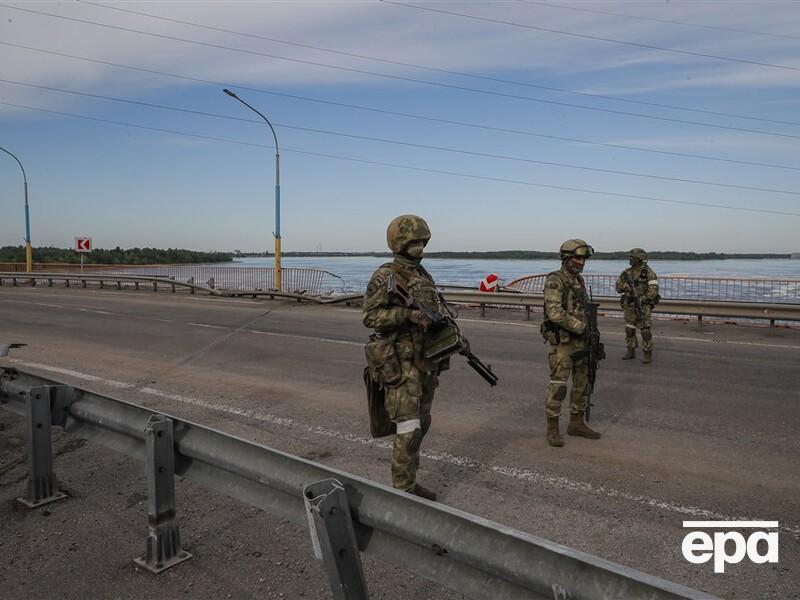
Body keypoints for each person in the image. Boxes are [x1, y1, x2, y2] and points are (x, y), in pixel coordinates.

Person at [362, 215, 448, 500]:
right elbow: (371, 316)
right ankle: (403, 492)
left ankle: (410, 482)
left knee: (422, 423)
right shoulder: (385, 275)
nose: (419, 245)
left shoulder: (422, 274)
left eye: (422, 240)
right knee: (409, 428)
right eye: (413, 240)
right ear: (399, 242)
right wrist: (408, 315)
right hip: (401, 363)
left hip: (425, 361)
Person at [540, 239, 602, 447]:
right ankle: (552, 428)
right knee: (558, 386)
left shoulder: (579, 281)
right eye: (577, 257)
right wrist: (580, 327)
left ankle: (576, 422)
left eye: (583, 258)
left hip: (582, 342)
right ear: (566, 257)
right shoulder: (555, 280)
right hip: (564, 343)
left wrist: (590, 331)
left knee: (582, 384)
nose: (581, 262)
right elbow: (554, 312)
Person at [615, 248, 660, 364]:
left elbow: (653, 291)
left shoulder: (649, 273)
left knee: (645, 330)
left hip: (643, 306)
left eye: (632, 258)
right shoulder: (626, 272)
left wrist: (641, 299)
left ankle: (647, 352)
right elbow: (617, 286)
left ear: (639, 259)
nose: (630, 260)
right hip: (629, 305)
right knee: (629, 329)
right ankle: (630, 351)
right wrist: (624, 287)